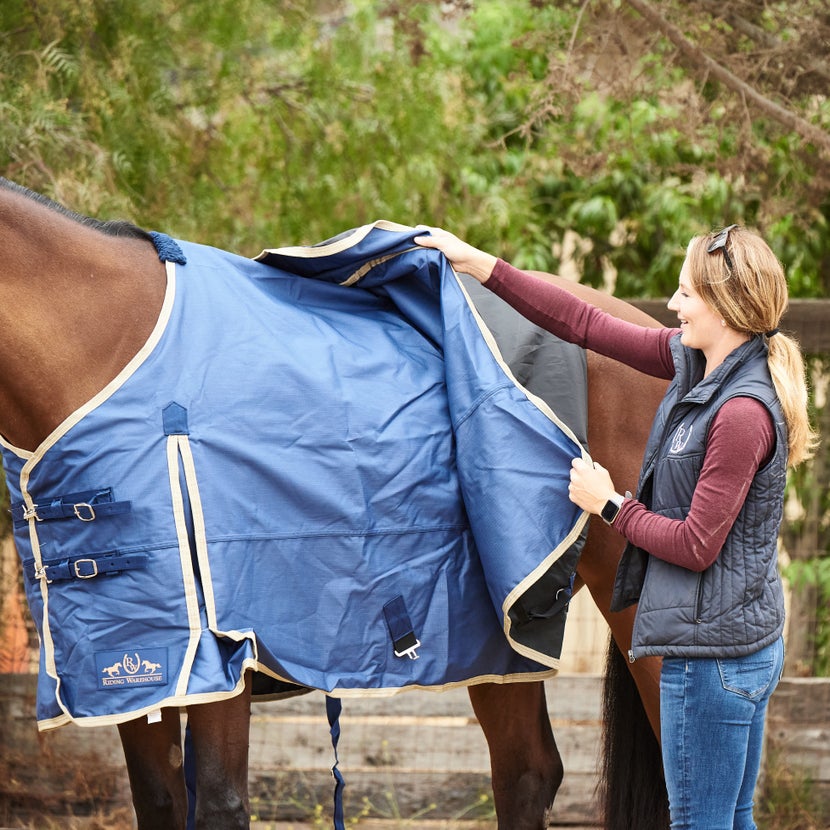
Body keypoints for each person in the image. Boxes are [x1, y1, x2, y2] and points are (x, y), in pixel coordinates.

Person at [414, 224, 818, 830]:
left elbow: (697, 545)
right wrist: (478, 264)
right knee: (730, 820)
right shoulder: (699, 366)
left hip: (712, 660)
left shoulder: (740, 412)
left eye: (687, 295)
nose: (674, 306)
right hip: (719, 644)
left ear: (726, 308)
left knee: (702, 822)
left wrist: (609, 505)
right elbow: (583, 325)